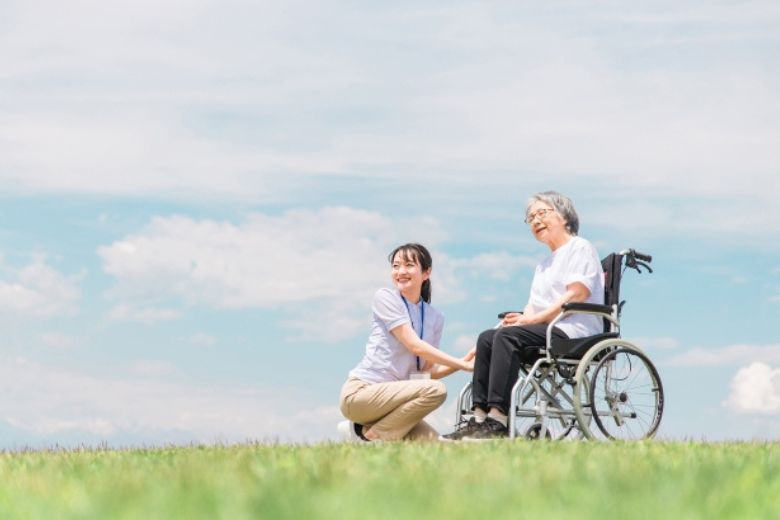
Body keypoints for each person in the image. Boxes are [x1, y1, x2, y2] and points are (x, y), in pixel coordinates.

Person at [442, 191, 605, 441]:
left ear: (564, 217)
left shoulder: (579, 247)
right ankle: (479, 419)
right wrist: (506, 326)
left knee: (507, 338)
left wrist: (530, 321)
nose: (535, 220)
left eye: (542, 213)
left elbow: (577, 294)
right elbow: (532, 308)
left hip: (574, 330)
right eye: (531, 217)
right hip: (547, 328)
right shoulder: (543, 264)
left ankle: (498, 419)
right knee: (488, 337)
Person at [338, 243, 475, 442]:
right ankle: (372, 436)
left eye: (409, 265)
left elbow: (424, 376)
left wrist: (464, 361)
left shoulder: (435, 318)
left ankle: (367, 432)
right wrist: (461, 364)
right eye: (396, 266)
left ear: (426, 272)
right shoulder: (385, 298)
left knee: (439, 446)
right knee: (436, 391)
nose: (401, 271)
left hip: (395, 404)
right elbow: (414, 345)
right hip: (361, 394)